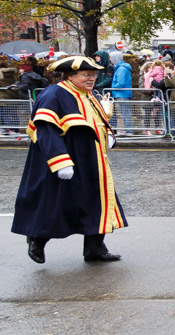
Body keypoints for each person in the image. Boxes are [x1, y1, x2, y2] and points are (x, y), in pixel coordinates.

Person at [12, 56, 126, 263]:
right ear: (70, 75)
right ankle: (37, 239)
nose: (91, 79)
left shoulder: (88, 95)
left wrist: (107, 135)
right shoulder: (54, 94)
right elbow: (45, 130)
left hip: (91, 158)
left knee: (95, 202)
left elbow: (94, 122)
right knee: (58, 203)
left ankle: (95, 247)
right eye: (86, 75)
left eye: (93, 75)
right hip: (67, 158)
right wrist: (60, 161)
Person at [110, 55, 134, 135]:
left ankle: (128, 130)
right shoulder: (122, 68)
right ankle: (128, 130)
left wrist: (113, 87)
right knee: (126, 112)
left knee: (125, 112)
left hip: (122, 93)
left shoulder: (121, 69)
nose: (110, 59)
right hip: (123, 93)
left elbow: (121, 83)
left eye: (111, 57)